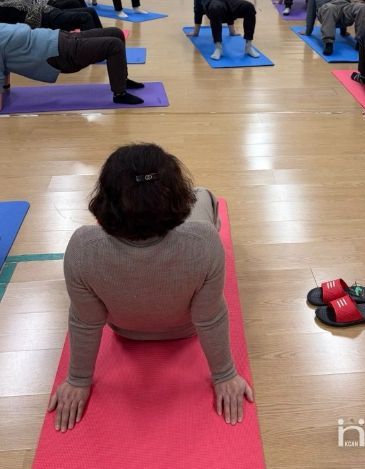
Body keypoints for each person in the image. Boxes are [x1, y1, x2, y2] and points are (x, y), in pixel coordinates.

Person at [47, 143, 254, 432]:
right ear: (177, 198)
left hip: (126, 330)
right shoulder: (205, 242)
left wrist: (79, 379)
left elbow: (86, 320)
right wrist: (225, 375)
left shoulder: (81, 247)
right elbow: (209, 317)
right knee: (205, 195)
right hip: (185, 329)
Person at [0, 23, 144, 109]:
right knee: (114, 45)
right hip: (58, 54)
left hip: (58, 36)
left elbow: (5, 61)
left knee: (116, 33)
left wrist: (6, 87)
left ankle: (121, 80)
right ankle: (119, 94)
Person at [189, 0, 259, 61]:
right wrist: (196, 31)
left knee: (249, 7)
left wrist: (232, 31)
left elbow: (231, 6)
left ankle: (248, 46)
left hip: (229, 2)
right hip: (213, 4)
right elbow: (197, 9)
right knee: (215, 7)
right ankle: (218, 48)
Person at [0, 0, 102, 31]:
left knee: (91, 11)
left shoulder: (3, 0)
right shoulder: (3, 9)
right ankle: (94, 50)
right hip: (45, 19)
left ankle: (104, 37)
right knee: (85, 17)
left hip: (49, 10)